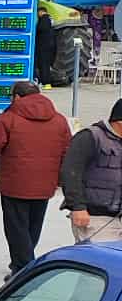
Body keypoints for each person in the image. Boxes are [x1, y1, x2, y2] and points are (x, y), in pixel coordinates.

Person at [0, 79, 72, 276]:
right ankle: (22, 263)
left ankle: (25, 269)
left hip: (15, 183)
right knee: (33, 226)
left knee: (16, 228)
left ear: (17, 97)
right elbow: (67, 151)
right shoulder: (60, 120)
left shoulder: (8, 119)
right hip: (46, 183)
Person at [60, 98, 122, 245]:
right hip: (95, 217)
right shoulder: (90, 137)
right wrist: (78, 207)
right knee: (100, 260)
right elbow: (71, 173)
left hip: (118, 214)